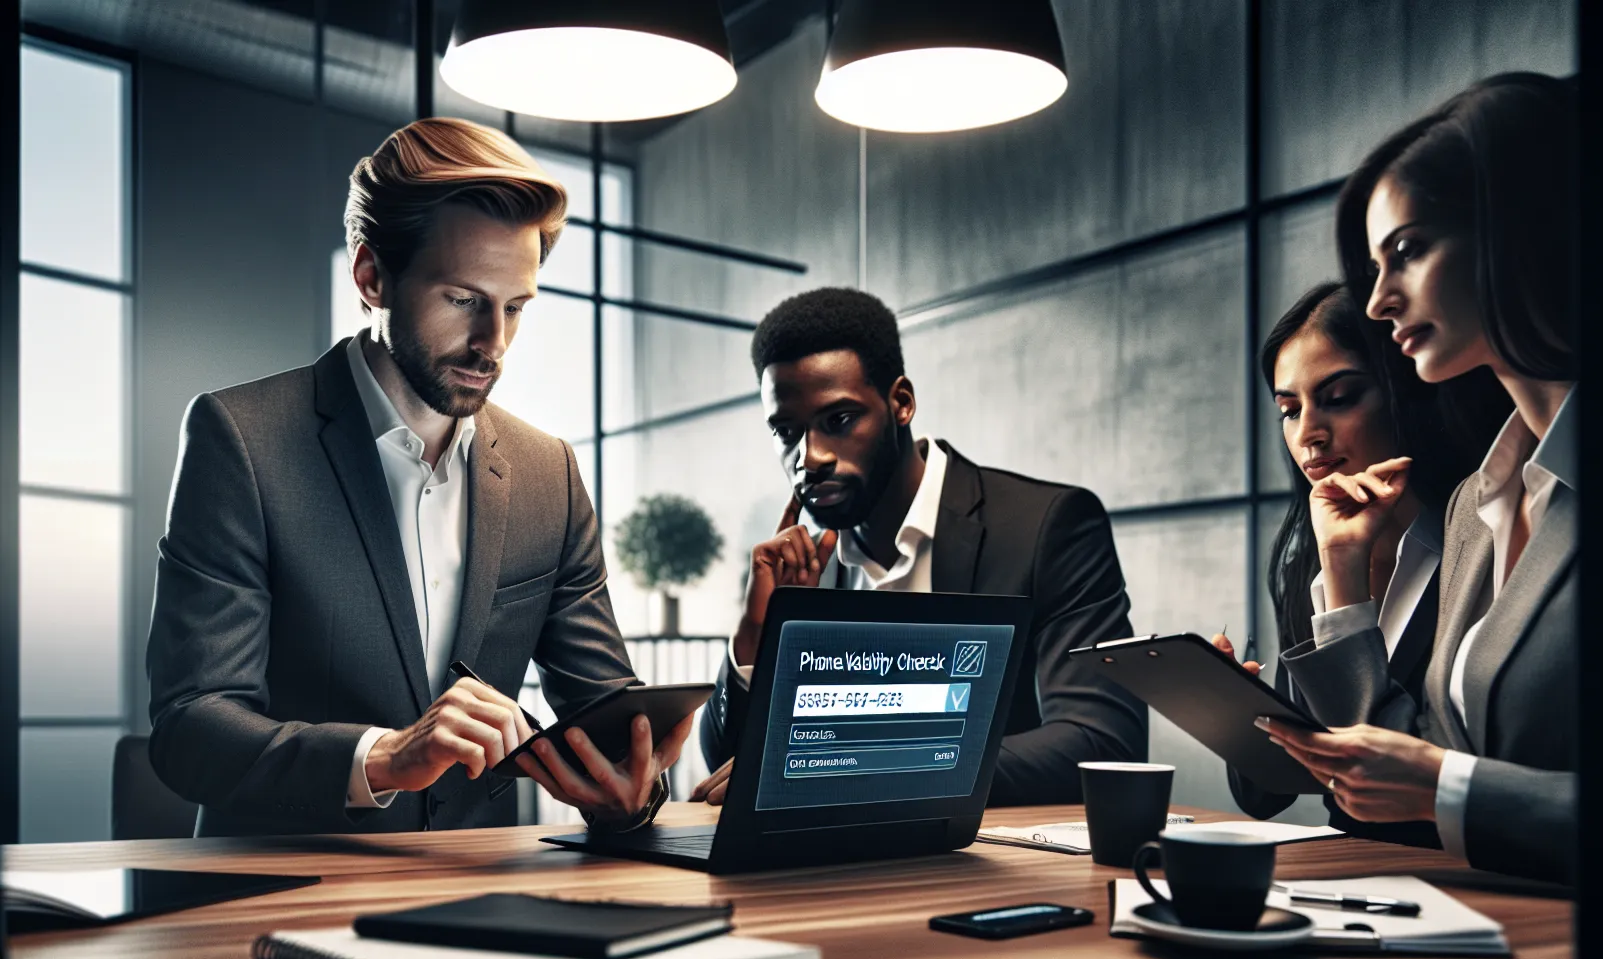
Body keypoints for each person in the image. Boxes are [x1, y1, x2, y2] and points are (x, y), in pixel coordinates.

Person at [147, 118, 692, 837]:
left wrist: (632, 791)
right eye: (464, 300)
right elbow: (190, 728)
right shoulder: (241, 440)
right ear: (372, 277)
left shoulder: (548, 474)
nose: (493, 343)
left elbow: (605, 713)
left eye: (517, 307)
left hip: (480, 899)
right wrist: (383, 757)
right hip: (275, 901)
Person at [1257, 73, 1580, 884]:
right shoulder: (1484, 502)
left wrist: (1450, 786)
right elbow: (1400, 768)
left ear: (1516, 230)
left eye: (1406, 251)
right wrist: (1340, 572)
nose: (1375, 301)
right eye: (1373, 264)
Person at [690, 287, 1148, 807]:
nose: (809, 456)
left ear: (901, 403)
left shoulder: (1047, 528)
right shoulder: (811, 568)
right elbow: (725, 768)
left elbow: (1103, 743)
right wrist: (756, 636)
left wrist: (869, 765)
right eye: (786, 431)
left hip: (993, 870)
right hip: (831, 873)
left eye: (838, 421)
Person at [1221, 281, 1506, 835]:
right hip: (1357, 875)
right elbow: (1266, 792)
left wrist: (1344, 572)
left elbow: (1410, 781)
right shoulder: (1312, 560)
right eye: (1289, 409)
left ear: (1403, 390)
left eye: (1339, 397)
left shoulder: (1484, 539)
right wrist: (1234, 706)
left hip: (1458, 879)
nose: (1309, 435)